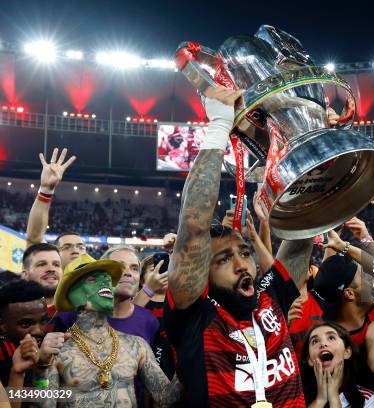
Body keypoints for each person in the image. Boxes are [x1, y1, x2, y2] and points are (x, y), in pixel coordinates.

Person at [164, 86, 312, 407]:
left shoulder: (268, 299)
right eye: (223, 259)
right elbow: (193, 225)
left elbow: (304, 235)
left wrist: (307, 141)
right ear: (202, 273)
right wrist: (219, 128)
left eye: (244, 253)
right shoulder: (194, 317)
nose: (242, 264)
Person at [34, 254, 181, 407]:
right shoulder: (58, 350)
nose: (105, 282)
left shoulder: (137, 345)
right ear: (75, 294)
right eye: (92, 280)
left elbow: (166, 398)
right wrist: (42, 367)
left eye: (108, 280)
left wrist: (187, 353)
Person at [55, 248, 159, 347]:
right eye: (121, 267)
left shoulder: (149, 321)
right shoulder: (68, 318)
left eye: (135, 268)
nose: (128, 273)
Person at [300, 322, 374, 408]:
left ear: (347, 352)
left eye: (331, 338)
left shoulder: (366, 398)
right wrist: (320, 399)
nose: (323, 344)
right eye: (315, 341)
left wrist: (334, 397)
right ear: (310, 360)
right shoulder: (297, 395)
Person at [0, 279, 47, 386]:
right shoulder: (4, 357)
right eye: (26, 324)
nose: (38, 331)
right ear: (2, 324)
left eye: (43, 321)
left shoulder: (51, 348)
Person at [21, 243, 63, 321]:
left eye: (56, 264)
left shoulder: (77, 311)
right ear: (25, 275)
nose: (51, 269)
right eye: (42, 264)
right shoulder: (8, 313)